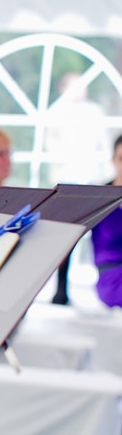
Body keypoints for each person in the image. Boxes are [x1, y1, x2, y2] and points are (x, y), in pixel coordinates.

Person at [89, 132, 122, 308]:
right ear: (113, 160)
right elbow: (69, 239)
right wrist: (61, 291)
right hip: (112, 277)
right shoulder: (100, 198)